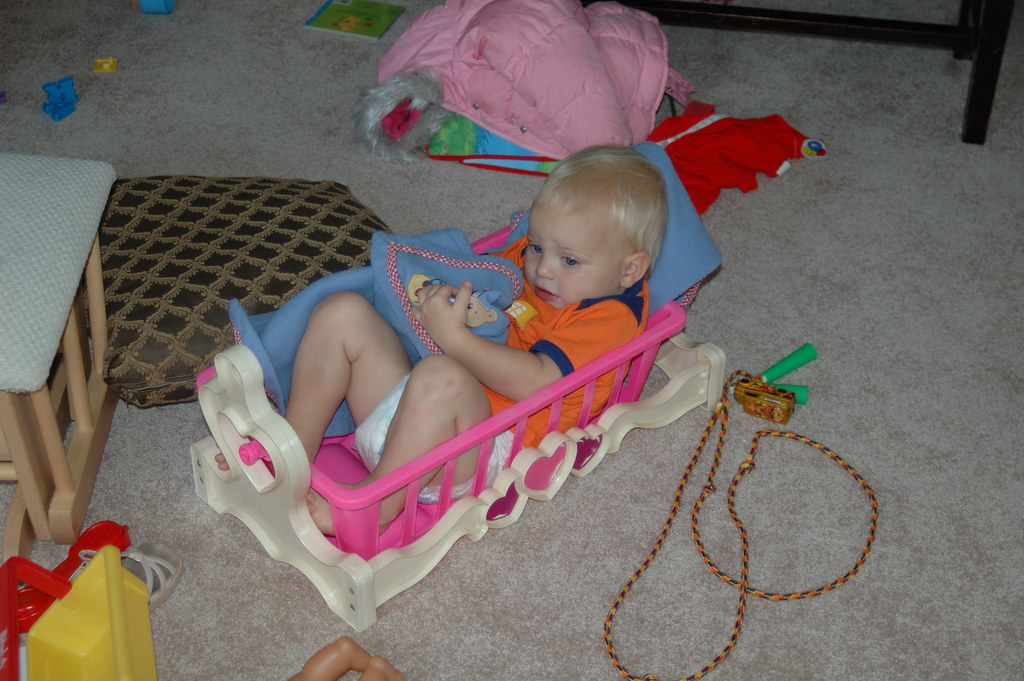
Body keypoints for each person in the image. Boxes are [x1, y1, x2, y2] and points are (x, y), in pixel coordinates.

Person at [232, 145, 667, 536]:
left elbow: (539, 382)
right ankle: (289, 453)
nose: (542, 269)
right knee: (342, 311)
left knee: (442, 374)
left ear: (630, 270)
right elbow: (485, 280)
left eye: (569, 260)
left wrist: (454, 339)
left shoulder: (612, 316)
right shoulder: (535, 259)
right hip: (415, 412)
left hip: (482, 453)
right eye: (536, 246)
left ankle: (373, 509)